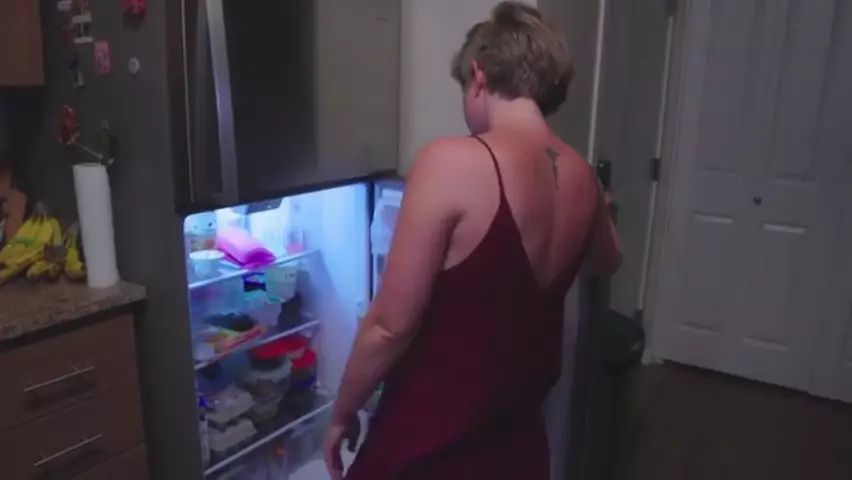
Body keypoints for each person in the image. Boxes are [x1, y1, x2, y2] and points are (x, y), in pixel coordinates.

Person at [324, 2, 622, 478]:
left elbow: (389, 326)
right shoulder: (583, 178)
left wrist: (343, 409)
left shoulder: (451, 162)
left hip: (432, 441)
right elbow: (607, 262)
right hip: (517, 444)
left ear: (479, 76)